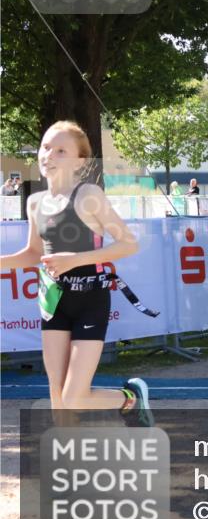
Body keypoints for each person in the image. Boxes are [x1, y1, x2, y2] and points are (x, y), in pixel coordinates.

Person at [0, 121, 152, 426]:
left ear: (80, 161)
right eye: (45, 147)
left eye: (60, 150)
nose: (49, 155)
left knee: (74, 397)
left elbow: (128, 244)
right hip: (54, 302)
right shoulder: (34, 202)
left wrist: (76, 258)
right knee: (58, 397)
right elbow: (33, 253)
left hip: (90, 300)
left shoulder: (89, 195)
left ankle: (131, 398)